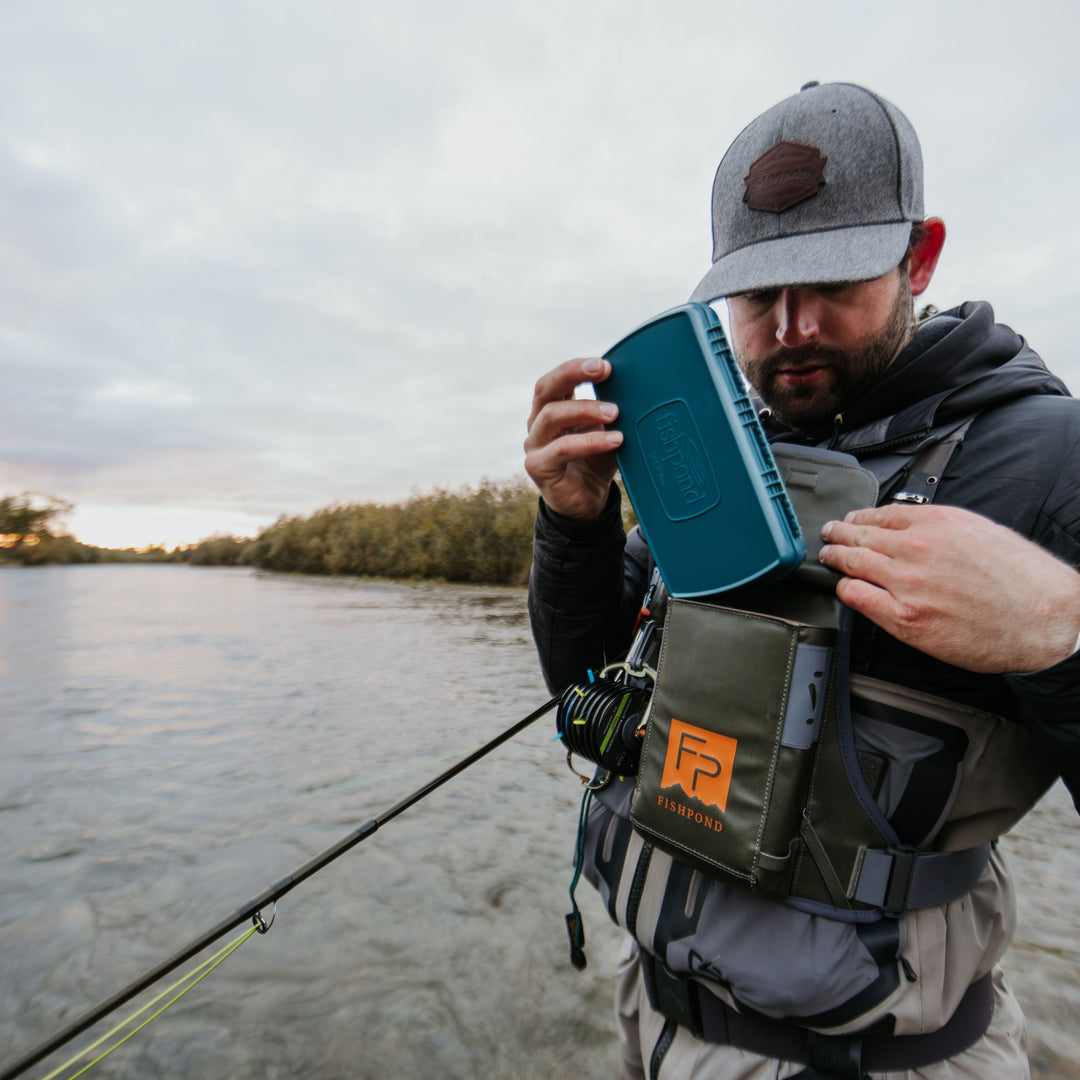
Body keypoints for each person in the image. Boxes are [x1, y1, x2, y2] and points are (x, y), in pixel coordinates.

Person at [524, 81, 1080, 1079]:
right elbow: (584, 679)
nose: (789, 327)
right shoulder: (731, 455)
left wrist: (1060, 636)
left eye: (832, 279)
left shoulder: (1050, 461)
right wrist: (574, 524)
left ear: (922, 254)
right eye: (756, 293)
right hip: (654, 1017)